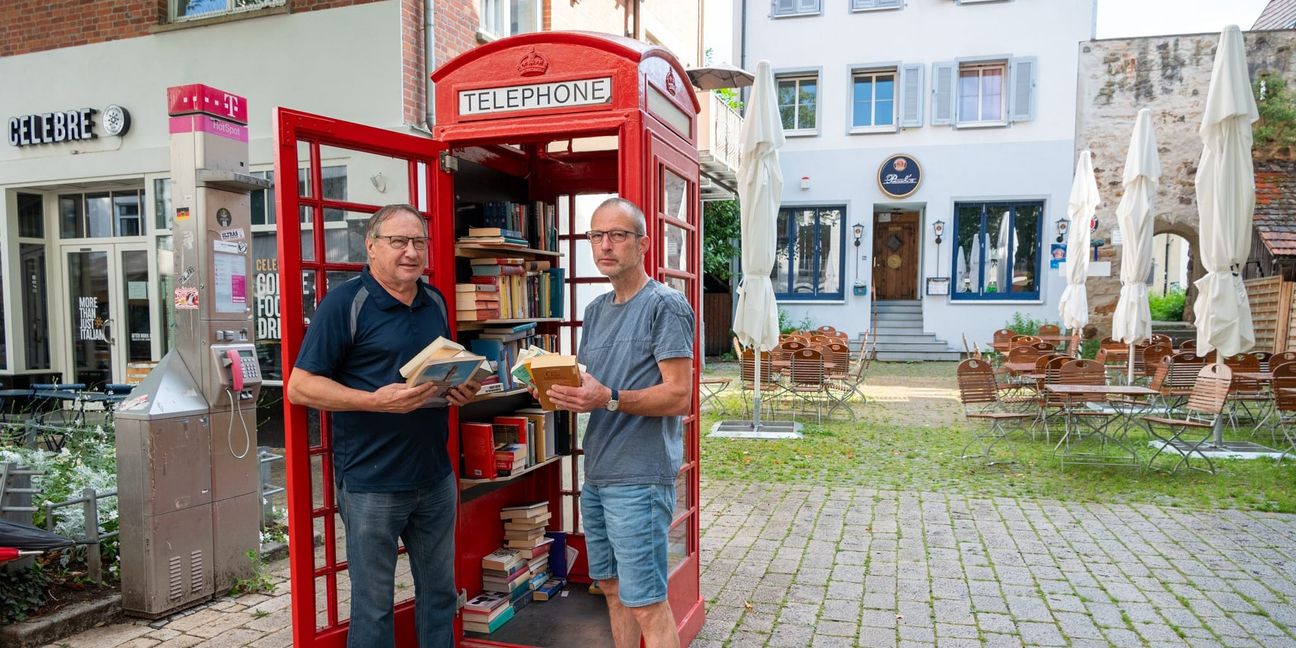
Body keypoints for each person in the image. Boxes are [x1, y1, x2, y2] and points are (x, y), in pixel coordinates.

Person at [287, 203, 480, 648]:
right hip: (371, 482)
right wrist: (374, 401)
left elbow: (438, 372)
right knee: (373, 607)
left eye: (418, 242)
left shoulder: (435, 301)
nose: (411, 252)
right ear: (371, 247)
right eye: (398, 242)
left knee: (439, 596)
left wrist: (460, 390)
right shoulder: (344, 303)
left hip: (435, 476)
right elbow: (300, 386)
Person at [543, 197, 695, 648]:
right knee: (610, 589)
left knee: (646, 599)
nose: (604, 245)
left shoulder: (666, 306)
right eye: (596, 236)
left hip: (641, 477)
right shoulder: (595, 311)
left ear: (643, 243)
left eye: (617, 235)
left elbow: (677, 394)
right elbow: (594, 388)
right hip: (599, 474)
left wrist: (607, 398)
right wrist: (560, 391)